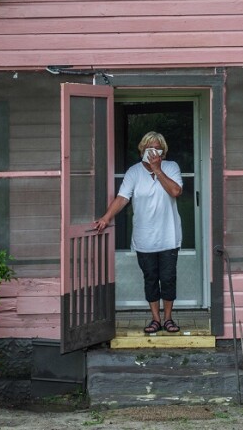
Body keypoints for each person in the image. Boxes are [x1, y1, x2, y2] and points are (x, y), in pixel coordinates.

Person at [93, 131, 183, 334]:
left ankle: (168, 319)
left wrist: (158, 170)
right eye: (149, 147)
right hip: (145, 238)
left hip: (169, 236)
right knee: (150, 278)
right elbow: (122, 198)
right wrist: (106, 218)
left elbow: (176, 192)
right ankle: (155, 319)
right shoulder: (133, 172)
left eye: (157, 147)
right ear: (142, 149)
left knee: (168, 278)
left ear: (163, 151)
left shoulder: (171, 167)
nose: (153, 151)